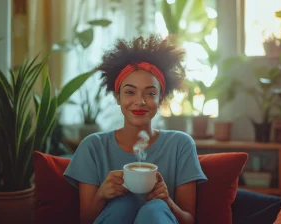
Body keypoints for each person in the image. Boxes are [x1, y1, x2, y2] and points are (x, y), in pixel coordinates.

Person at [64, 35, 207, 224]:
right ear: (117, 97)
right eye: (130, 92)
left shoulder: (180, 145)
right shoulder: (92, 147)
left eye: (150, 93)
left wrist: (167, 202)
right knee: (125, 204)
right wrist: (102, 196)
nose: (140, 101)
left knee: (155, 209)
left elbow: (189, 220)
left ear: (161, 99)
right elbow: (85, 220)